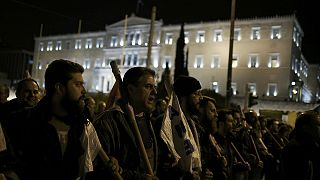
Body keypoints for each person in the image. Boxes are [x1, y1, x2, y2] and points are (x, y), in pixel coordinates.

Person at [2, 59, 109, 179]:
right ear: (59, 88)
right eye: (77, 84)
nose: (83, 91)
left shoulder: (80, 125)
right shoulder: (20, 123)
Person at [93, 67, 158, 179]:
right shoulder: (107, 122)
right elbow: (99, 168)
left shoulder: (148, 120)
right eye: (148, 87)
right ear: (131, 89)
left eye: (154, 87)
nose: (155, 92)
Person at [281, 111, 320, 180]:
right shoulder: (295, 148)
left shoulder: (311, 145)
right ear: (306, 127)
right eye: (317, 125)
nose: (319, 128)